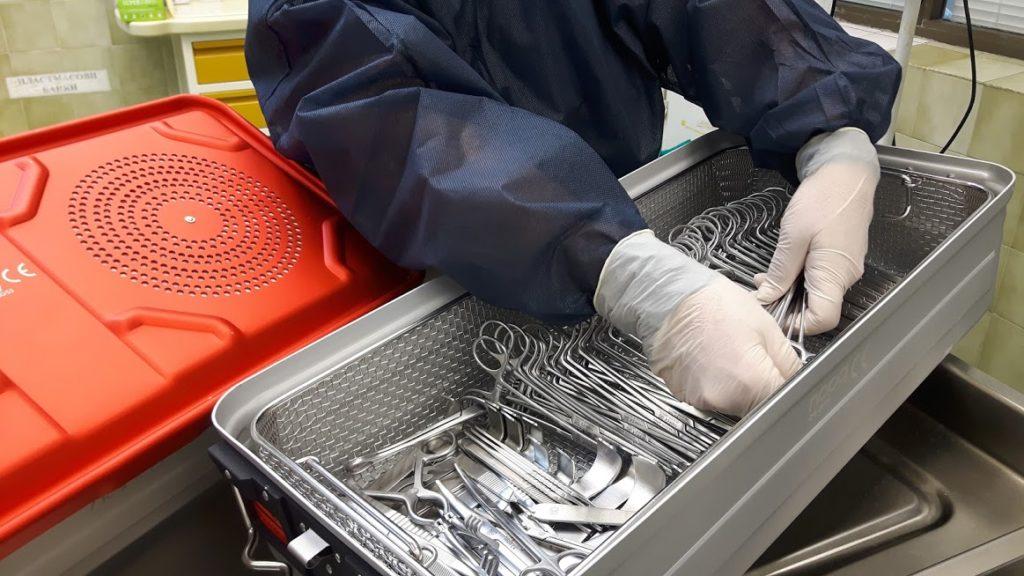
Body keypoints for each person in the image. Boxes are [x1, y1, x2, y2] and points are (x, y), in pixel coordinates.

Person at [245, 0, 900, 416]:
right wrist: (633, 275)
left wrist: (829, 126)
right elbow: (406, 137)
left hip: (625, 217)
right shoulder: (308, 11)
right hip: (441, 264)